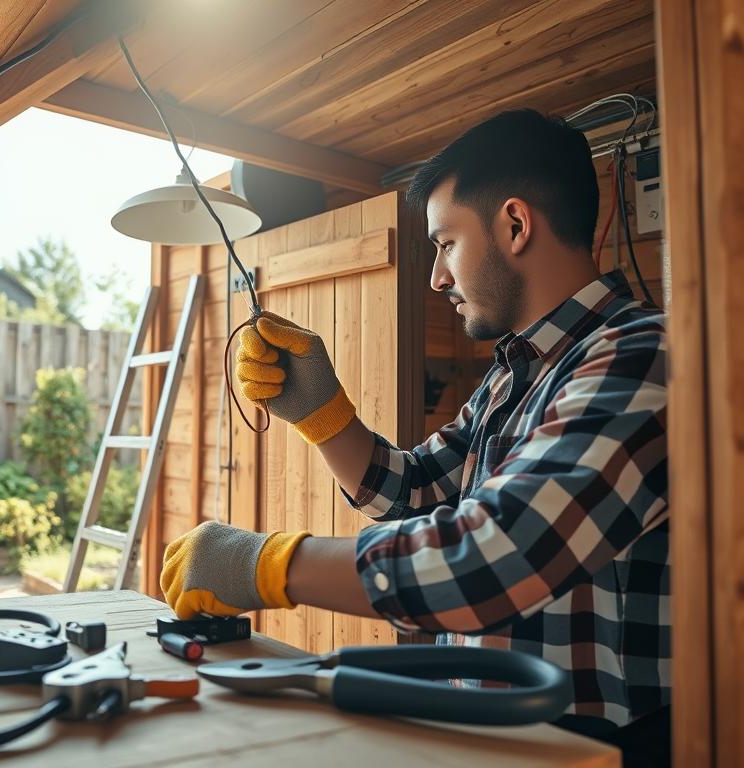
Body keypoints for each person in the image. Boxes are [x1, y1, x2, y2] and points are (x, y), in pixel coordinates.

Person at [159, 109, 669, 766]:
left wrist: (265, 564)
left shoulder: (640, 356)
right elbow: (418, 491)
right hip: (492, 737)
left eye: (445, 243)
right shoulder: (515, 374)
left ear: (515, 225)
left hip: (600, 752)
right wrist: (325, 415)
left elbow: (496, 553)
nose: (437, 277)